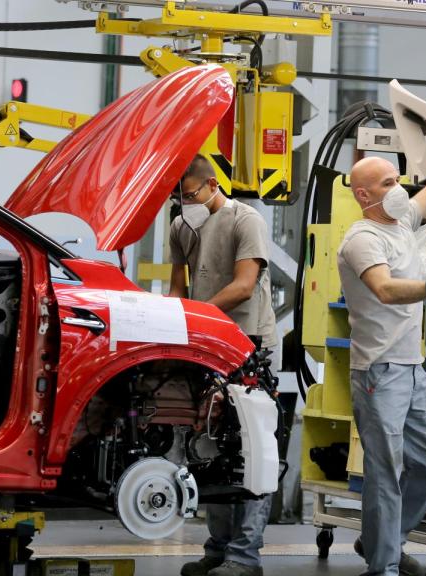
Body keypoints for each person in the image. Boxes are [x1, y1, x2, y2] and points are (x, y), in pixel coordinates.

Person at [337, 137, 426, 576]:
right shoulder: (361, 239)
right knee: (385, 471)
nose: (398, 188)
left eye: (397, 179)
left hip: (411, 370)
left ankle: (382, 539)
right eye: (386, 183)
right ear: (364, 195)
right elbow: (385, 289)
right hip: (379, 373)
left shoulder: (400, 222)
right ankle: (384, 566)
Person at [170, 155, 277, 576]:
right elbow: (179, 284)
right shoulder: (182, 225)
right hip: (204, 346)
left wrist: (196, 317)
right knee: (208, 446)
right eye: (178, 197)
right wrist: (172, 323)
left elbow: (244, 285)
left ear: (212, 185)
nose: (184, 202)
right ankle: (218, 548)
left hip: (249, 346)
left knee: (253, 451)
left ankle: (245, 556)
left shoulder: (244, 220)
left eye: (190, 194)